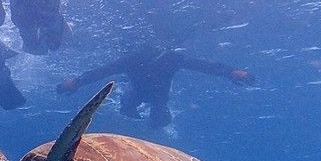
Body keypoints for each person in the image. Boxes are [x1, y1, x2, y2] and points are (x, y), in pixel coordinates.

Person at [56, 45, 255, 129]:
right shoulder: (134, 59)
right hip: (135, 94)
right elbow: (104, 71)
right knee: (127, 109)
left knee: (160, 120)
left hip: (159, 97)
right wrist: (77, 81)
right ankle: (133, 117)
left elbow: (202, 65)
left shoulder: (172, 58)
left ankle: (152, 127)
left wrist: (230, 72)